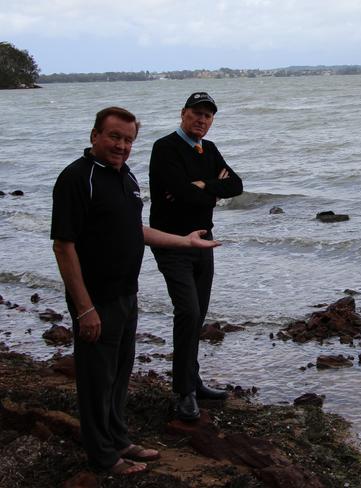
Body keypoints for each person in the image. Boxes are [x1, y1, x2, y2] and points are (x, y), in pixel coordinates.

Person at [51, 106, 221, 475]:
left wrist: (185, 242)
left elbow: (137, 230)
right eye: (114, 137)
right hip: (95, 298)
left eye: (128, 140)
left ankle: (118, 438)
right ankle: (103, 457)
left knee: (119, 373)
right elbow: (63, 247)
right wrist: (83, 308)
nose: (122, 146)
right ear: (95, 135)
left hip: (126, 293)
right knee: (96, 380)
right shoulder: (77, 178)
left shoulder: (125, 177)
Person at [148, 92, 243, 421]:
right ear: (183, 114)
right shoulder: (165, 148)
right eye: (196, 114)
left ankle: (193, 380)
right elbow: (182, 194)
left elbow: (237, 186)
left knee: (198, 314)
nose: (202, 120)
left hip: (205, 240)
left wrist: (203, 185)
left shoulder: (211, 149)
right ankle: (183, 392)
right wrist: (204, 188)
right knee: (187, 311)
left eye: (208, 116)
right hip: (172, 242)